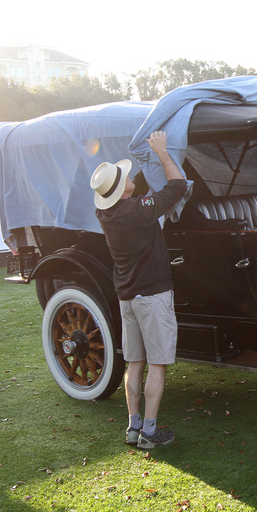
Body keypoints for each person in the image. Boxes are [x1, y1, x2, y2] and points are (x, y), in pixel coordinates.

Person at [90, 131, 188, 449]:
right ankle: (150, 431)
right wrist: (161, 152)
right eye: (126, 177)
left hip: (128, 297)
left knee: (135, 362)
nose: (131, 176)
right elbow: (177, 187)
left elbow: (138, 195)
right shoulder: (137, 210)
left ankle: (133, 428)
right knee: (157, 363)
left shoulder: (106, 213)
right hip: (152, 296)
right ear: (121, 191)